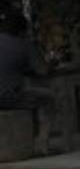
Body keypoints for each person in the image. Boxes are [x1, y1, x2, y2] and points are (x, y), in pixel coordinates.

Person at [0, 11, 56, 154]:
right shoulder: (25, 44)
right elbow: (43, 71)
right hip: (8, 96)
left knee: (28, 92)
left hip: (8, 92)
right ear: (23, 30)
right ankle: (42, 144)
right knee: (48, 98)